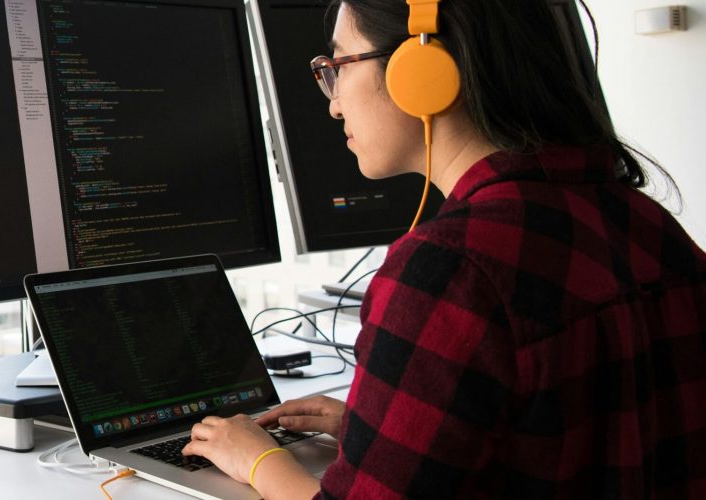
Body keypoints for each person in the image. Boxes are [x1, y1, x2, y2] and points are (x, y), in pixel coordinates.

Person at [181, 0, 706, 498]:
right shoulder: (650, 224)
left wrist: (257, 458)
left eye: (339, 65)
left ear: (422, 71)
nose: (335, 103)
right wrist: (376, 433)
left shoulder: (449, 270)